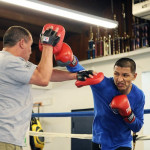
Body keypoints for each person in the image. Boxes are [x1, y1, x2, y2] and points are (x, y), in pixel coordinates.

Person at [0, 25, 92, 150]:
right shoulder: (9, 62)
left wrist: (75, 75)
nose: (31, 51)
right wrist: (48, 46)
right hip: (5, 138)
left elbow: (44, 73)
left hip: (8, 137)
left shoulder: (8, 60)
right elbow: (43, 78)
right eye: (30, 46)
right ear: (22, 43)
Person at [55, 45, 145, 150]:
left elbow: (137, 127)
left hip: (122, 144)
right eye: (116, 74)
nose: (120, 79)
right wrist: (71, 60)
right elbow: (82, 72)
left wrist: (128, 114)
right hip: (99, 142)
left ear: (134, 76)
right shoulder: (103, 84)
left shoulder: (139, 95)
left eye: (125, 75)